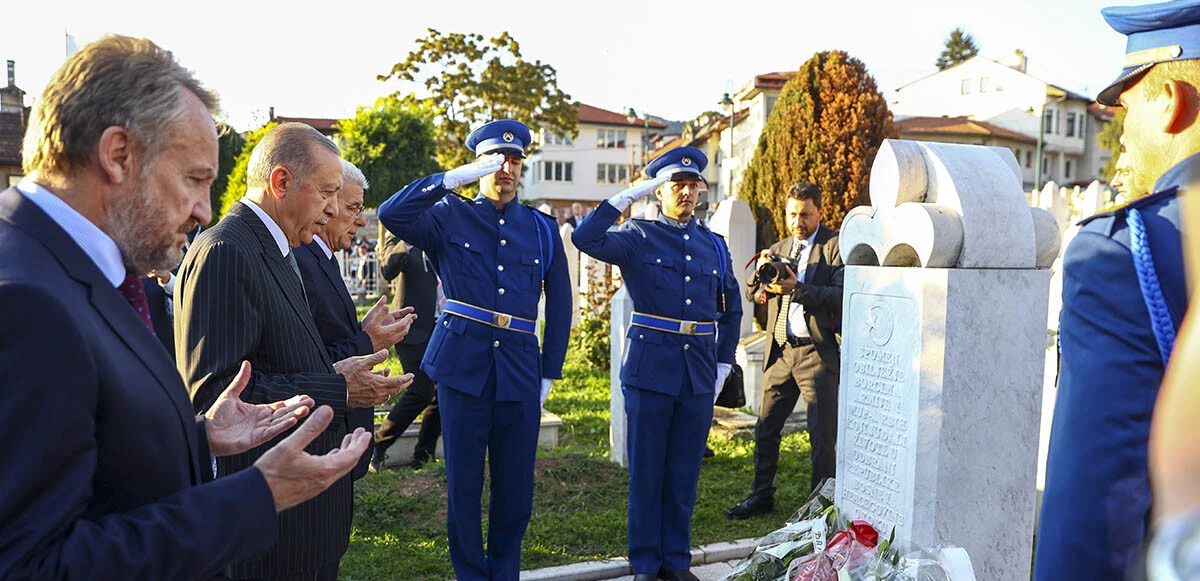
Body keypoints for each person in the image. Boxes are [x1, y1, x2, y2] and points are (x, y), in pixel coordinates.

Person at [0, 34, 372, 579]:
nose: (203, 209)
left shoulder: (72, 268)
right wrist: (256, 498)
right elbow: (31, 564)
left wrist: (201, 439)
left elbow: (93, 462)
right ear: (118, 155)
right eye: (195, 178)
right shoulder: (24, 300)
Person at [176, 122, 414, 581]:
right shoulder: (228, 250)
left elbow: (279, 358)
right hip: (273, 533)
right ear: (281, 182)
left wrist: (338, 369)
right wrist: (338, 386)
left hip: (304, 521)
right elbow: (217, 398)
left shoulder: (276, 248)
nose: (330, 211)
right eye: (327, 193)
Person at [1034, 1, 1199, 579]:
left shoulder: (1127, 253)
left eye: (1127, 108)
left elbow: (1094, 524)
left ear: (1174, 105)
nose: (1121, 133)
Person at [377, 119, 571, 581]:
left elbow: (560, 303)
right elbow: (391, 214)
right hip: (463, 367)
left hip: (521, 370)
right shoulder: (449, 214)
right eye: (494, 160)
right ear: (478, 166)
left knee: (515, 490)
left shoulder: (542, 229)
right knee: (463, 488)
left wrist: (550, 371)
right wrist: (452, 178)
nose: (506, 167)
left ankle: (504, 574)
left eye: (514, 159)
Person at [572, 146, 742, 581]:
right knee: (648, 474)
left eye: (692, 186)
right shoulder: (637, 237)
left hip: (699, 372)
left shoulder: (714, 246)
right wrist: (625, 197)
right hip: (651, 370)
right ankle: (647, 563)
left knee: (683, 475)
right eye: (676, 186)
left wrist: (723, 363)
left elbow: (732, 308)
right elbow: (584, 238)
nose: (686, 193)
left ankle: (676, 561)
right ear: (659, 192)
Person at [726, 183, 844, 520]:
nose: (798, 221)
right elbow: (752, 294)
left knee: (821, 438)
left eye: (805, 214)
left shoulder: (834, 246)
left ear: (820, 211)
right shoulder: (779, 247)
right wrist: (759, 276)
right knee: (765, 428)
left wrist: (799, 289)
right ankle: (761, 496)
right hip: (779, 350)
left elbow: (841, 294)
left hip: (816, 355)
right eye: (792, 214)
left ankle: (819, 509)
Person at [295, 159, 416, 480]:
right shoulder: (303, 261)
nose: (361, 221)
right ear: (327, 203)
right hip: (323, 442)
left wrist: (365, 332)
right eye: (353, 207)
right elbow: (304, 360)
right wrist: (369, 342)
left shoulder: (322, 257)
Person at [374, 226, 443, 470]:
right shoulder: (400, 232)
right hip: (410, 325)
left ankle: (423, 457)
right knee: (421, 391)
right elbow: (388, 270)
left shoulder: (446, 231)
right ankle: (377, 446)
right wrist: (409, 240)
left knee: (442, 393)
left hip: (444, 326)